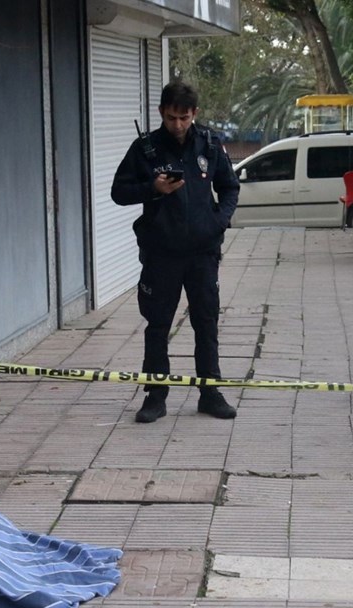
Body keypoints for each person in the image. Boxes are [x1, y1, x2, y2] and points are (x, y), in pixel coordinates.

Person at [111, 82, 240, 423]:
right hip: (161, 254)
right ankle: (155, 395)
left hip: (202, 252)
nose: (178, 125)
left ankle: (210, 392)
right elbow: (118, 192)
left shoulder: (210, 144)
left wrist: (219, 222)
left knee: (206, 322)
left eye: (184, 117)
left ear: (194, 113)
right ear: (161, 113)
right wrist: (152, 189)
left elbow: (229, 188)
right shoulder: (145, 148)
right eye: (171, 118)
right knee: (158, 325)